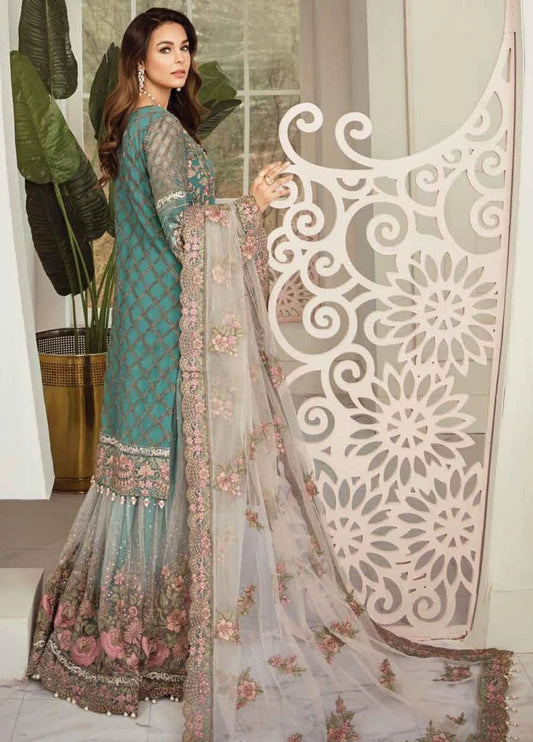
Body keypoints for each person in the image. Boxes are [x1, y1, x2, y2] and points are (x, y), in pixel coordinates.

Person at [26, 7, 512, 741]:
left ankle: (141, 635)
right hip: (168, 327)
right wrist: (251, 206)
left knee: (151, 467)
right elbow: (187, 232)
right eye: (166, 48)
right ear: (138, 61)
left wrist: (232, 212)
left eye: (186, 47)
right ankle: (162, 638)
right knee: (166, 465)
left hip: (145, 324)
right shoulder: (159, 130)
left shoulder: (133, 127)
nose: (181, 59)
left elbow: (166, 228)